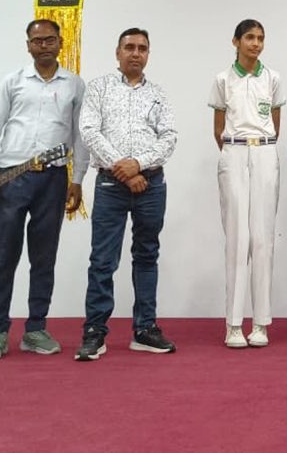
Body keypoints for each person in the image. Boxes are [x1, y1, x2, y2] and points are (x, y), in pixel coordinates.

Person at [0, 19, 87, 361]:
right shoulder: (13, 81)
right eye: (37, 41)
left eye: (50, 40)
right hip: (11, 177)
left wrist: (77, 178)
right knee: (5, 255)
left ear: (60, 42)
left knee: (44, 257)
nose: (44, 46)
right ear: (28, 45)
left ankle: (35, 329)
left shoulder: (74, 85)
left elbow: (80, 135)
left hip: (53, 178)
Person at [75, 27, 177, 361]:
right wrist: (123, 168)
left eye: (142, 48)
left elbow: (169, 137)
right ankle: (95, 332)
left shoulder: (158, 94)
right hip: (110, 185)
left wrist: (139, 165)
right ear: (117, 52)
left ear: (148, 54)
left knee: (147, 255)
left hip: (151, 185)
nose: (136, 53)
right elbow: (89, 131)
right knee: (103, 260)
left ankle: (145, 329)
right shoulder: (99, 88)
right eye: (129, 47)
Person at [209, 19, 285, 349]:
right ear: (236, 41)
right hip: (234, 151)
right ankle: (234, 324)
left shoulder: (273, 78)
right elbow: (218, 128)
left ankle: (261, 323)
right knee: (238, 238)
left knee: (263, 238)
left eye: (260, 38)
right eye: (250, 38)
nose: (255, 44)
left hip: (265, 152)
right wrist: (236, 150)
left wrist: (258, 148)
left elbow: (275, 125)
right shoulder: (222, 79)